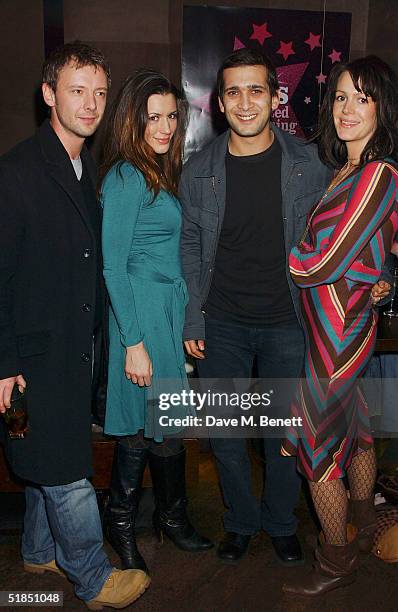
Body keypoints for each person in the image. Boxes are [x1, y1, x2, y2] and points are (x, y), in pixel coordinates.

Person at [179, 47, 390, 566]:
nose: (245, 102)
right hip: (220, 324)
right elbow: (188, 246)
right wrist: (191, 317)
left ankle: (278, 523)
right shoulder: (197, 168)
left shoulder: (313, 163)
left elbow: (363, 225)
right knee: (227, 438)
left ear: (276, 96)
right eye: (234, 91)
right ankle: (241, 523)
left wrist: (383, 276)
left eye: (257, 89)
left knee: (281, 437)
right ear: (220, 103)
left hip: (290, 324)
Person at [0, 42, 150, 609]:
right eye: (76, 91)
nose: (90, 105)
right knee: (66, 471)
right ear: (48, 96)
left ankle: (39, 550)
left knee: (49, 456)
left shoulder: (86, 166)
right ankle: (92, 577)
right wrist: (4, 364)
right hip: (32, 358)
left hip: (73, 349)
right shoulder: (16, 172)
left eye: (99, 93)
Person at [281, 55, 398, 596]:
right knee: (355, 429)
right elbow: (381, 248)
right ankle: (362, 522)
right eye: (343, 97)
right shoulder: (348, 172)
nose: (349, 108)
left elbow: (322, 262)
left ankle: (336, 559)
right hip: (334, 326)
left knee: (317, 444)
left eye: (364, 98)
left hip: (339, 333)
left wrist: (290, 259)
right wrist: (383, 277)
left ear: (383, 108)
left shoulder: (378, 173)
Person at [99, 69, 213, 573]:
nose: (164, 126)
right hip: (139, 313)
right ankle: (120, 523)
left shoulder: (157, 172)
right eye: (153, 117)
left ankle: (172, 518)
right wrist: (134, 342)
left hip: (164, 312)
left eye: (171, 116)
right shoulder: (125, 176)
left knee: (167, 425)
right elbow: (111, 266)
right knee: (138, 431)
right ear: (133, 119)